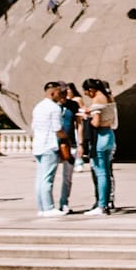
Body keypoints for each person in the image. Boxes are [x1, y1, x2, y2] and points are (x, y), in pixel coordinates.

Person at [82, 79, 118, 214]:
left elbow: (96, 123)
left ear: (91, 90)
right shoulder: (109, 98)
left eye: (87, 92)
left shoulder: (97, 100)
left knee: (100, 172)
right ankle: (107, 201)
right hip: (109, 134)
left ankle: (101, 204)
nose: (86, 95)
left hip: (100, 136)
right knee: (107, 172)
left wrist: (87, 117)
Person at [31, 82, 64, 216]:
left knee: (40, 178)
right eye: (58, 92)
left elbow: (34, 126)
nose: (60, 95)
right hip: (49, 145)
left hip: (38, 144)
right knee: (47, 179)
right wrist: (66, 138)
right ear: (52, 92)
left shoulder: (38, 107)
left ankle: (42, 207)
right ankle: (49, 207)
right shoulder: (54, 108)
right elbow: (57, 129)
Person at [55, 83, 81, 214]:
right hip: (53, 144)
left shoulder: (73, 105)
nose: (64, 95)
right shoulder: (51, 106)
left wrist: (81, 143)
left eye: (66, 92)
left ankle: (64, 202)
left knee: (67, 176)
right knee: (50, 175)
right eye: (62, 92)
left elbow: (79, 124)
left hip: (70, 144)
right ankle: (48, 204)